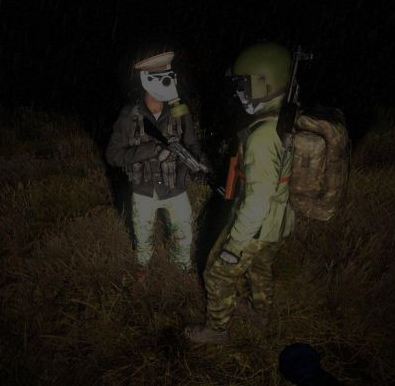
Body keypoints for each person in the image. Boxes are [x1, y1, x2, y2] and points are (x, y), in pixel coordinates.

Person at [186, 42, 296, 344]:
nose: (239, 92)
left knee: (217, 274)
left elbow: (257, 201)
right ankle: (261, 313)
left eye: (244, 85)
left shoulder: (262, 137)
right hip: (279, 221)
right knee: (260, 266)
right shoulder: (286, 117)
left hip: (256, 224)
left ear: (264, 82)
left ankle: (217, 330)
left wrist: (235, 244)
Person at [106, 51, 203, 285]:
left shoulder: (180, 112)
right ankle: (143, 268)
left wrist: (196, 166)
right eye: (164, 79)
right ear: (147, 81)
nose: (169, 84)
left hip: (175, 187)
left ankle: (182, 271)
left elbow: (192, 145)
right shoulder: (129, 116)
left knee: (183, 234)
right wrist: (150, 151)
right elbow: (113, 155)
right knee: (143, 236)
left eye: (170, 78)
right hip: (144, 190)